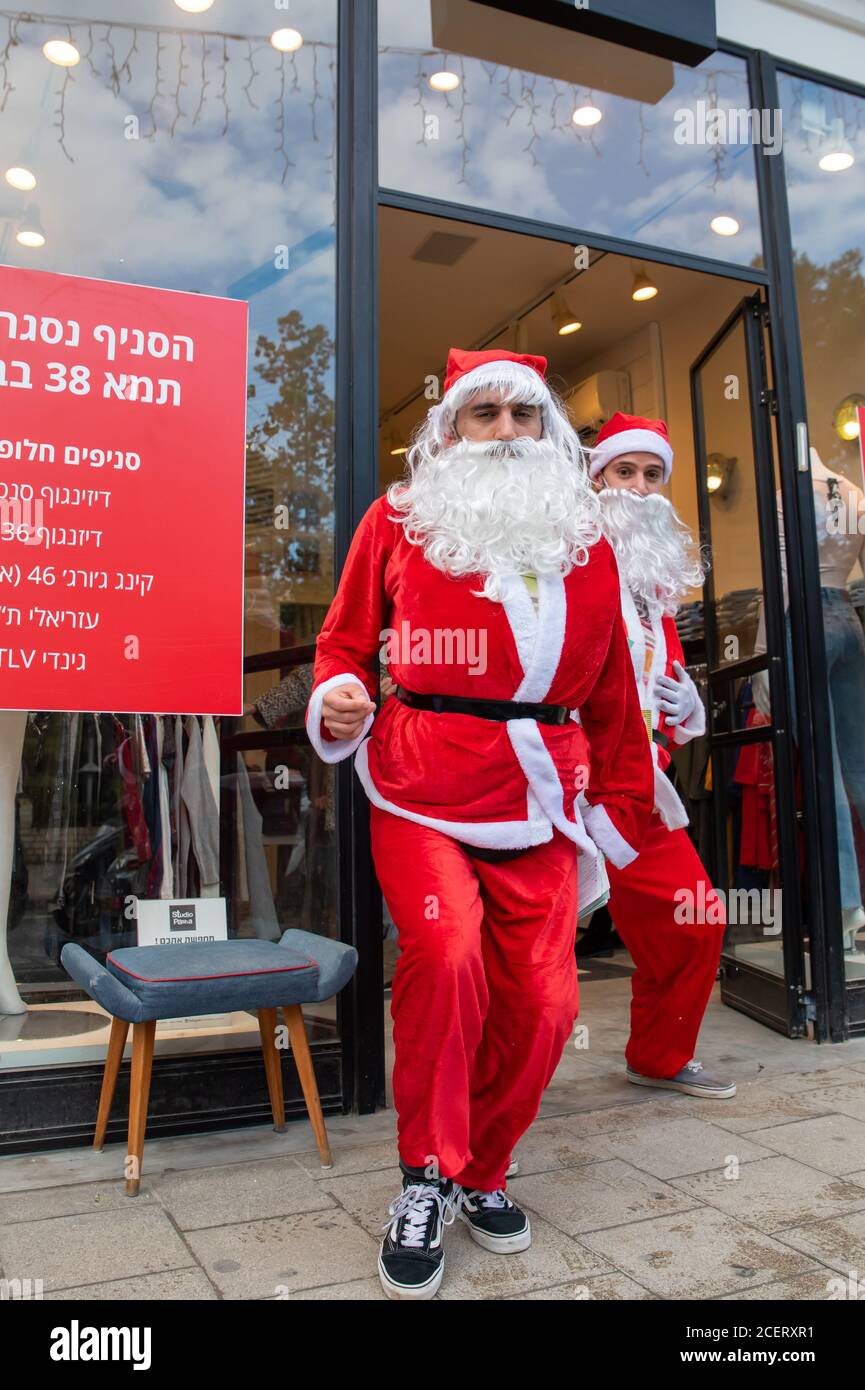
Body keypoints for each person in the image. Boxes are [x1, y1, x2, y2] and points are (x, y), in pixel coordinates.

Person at [305, 348, 654, 1300]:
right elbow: (344, 643)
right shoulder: (399, 518)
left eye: (522, 416)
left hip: (541, 795)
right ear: (449, 431)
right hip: (420, 781)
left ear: (549, 431)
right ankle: (423, 1178)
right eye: (482, 415)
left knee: (546, 1008)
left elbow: (616, 692)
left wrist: (620, 806)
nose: (504, 432)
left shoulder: (589, 539)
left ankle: (480, 1171)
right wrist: (341, 694)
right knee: (448, 956)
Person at [584, 411, 736, 1099]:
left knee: (693, 916)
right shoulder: (565, 560)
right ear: (595, 480)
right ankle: (477, 1116)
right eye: (625, 472)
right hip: (563, 781)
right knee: (523, 958)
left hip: (637, 787)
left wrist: (685, 709)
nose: (640, 488)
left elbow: (664, 685)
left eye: (652, 475)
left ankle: (659, 1054)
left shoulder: (654, 595)